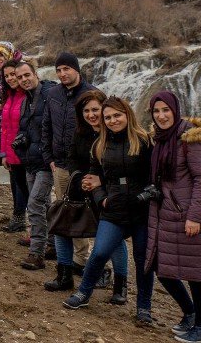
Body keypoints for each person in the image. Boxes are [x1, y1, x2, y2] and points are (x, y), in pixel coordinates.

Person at [64, 97, 155, 327]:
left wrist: (146, 196)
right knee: (100, 252)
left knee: (144, 260)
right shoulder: (100, 145)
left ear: (127, 114)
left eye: (117, 115)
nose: (113, 120)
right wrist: (101, 199)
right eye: (108, 117)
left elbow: (157, 177)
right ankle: (84, 293)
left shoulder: (144, 141)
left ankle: (143, 307)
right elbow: (95, 178)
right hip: (113, 209)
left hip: (141, 211)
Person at [145, 91, 201, 343]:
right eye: (156, 111)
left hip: (189, 216)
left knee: (196, 274)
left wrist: (194, 216)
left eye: (166, 110)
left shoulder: (189, 138)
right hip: (166, 214)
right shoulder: (160, 138)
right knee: (163, 270)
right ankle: (190, 314)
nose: (161, 115)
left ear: (175, 110)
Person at [45, 90, 129, 299]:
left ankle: (120, 287)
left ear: (104, 109)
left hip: (106, 194)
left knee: (114, 238)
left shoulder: (114, 132)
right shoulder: (80, 132)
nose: (91, 115)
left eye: (95, 110)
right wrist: (81, 176)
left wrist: (98, 180)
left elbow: (121, 165)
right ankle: (64, 276)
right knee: (62, 229)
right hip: (79, 189)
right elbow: (71, 158)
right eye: (86, 111)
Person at [43, 52, 98, 270]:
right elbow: (46, 126)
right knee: (67, 212)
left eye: (66, 69)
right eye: (58, 70)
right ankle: (77, 260)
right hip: (61, 165)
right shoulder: (53, 93)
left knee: (90, 212)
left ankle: (92, 260)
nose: (62, 73)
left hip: (86, 166)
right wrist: (49, 158)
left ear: (77, 69)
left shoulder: (92, 94)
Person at [14, 59, 55, 270]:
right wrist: (19, 146)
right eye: (19, 77)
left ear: (35, 74)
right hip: (30, 160)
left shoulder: (49, 95)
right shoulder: (25, 100)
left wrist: (53, 156)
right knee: (44, 204)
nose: (23, 80)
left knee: (35, 204)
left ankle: (37, 253)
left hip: (47, 162)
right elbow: (25, 129)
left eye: (26, 75)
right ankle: (53, 245)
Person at [0, 60, 28, 233]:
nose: (10, 78)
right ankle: (19, 219)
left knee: (29, 191)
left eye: (12, 74)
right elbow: (5, 127)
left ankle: (40, 231)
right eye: (6, 75)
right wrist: (4, 153)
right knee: (18, 186)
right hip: (12, 151)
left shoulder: (27, 96)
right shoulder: (9, 95)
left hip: (25, 152)